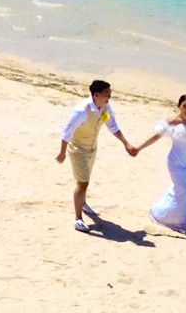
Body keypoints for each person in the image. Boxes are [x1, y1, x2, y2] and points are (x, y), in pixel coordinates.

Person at [56, 80, 137, 232]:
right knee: (82, 183)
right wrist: (62, 152)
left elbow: (112, 126)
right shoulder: (81, 111)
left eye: (110, 92)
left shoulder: (105, 107)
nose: (109, 95)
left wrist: (126, 143)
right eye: (106, 93)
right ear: (96, 95)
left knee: (85, 180)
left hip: (92, 148)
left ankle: (83, 203)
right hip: (78, 149)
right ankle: (78, 219)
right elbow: (67, 131)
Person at [136, 94, 186, 235]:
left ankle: (184, 222)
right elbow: (156, 137)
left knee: (185, 193)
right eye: (184, 106)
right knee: (184, 190)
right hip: (175, 162)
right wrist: (139, 148)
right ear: (179, 107)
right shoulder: (172, 122)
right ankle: (173, 220)